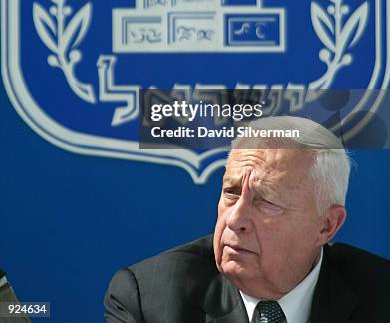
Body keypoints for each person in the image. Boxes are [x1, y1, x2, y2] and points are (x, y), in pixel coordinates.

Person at [104, 116, 390, 322]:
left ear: (327, 225)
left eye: (266, 200)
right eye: (231, 192)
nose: (234, 218)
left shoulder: (381, 296)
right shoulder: (149, 299)